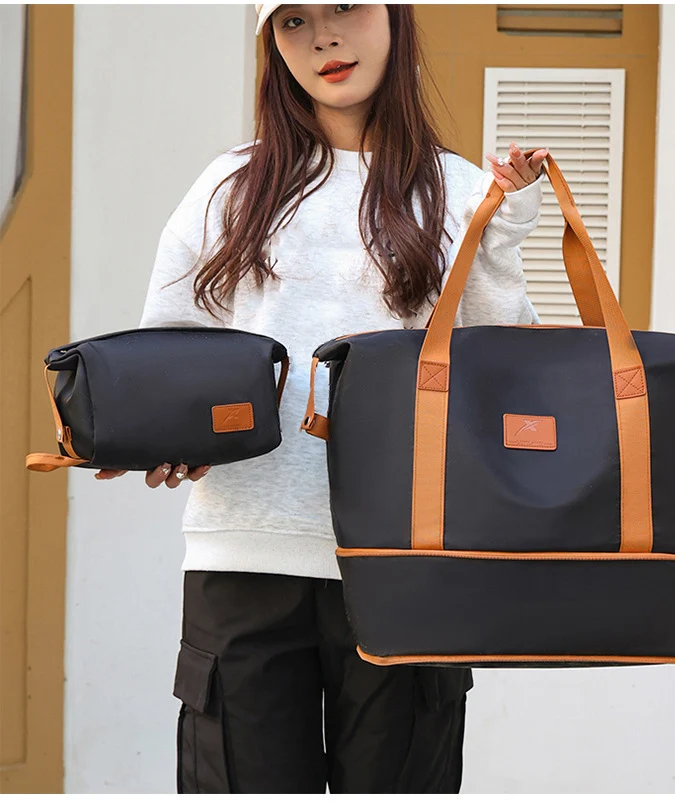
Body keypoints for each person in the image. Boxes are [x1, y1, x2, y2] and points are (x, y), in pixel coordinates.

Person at [97, 3, 549, 794]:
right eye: (293, 20)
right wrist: (166, 435)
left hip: (411, 561)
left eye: (345, 5)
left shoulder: (462, 190)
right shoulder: (232, 186)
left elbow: (504, 370)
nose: (324, 37)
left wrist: (502, 230)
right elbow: (172, 349)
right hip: (246, 553)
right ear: (271, 43)